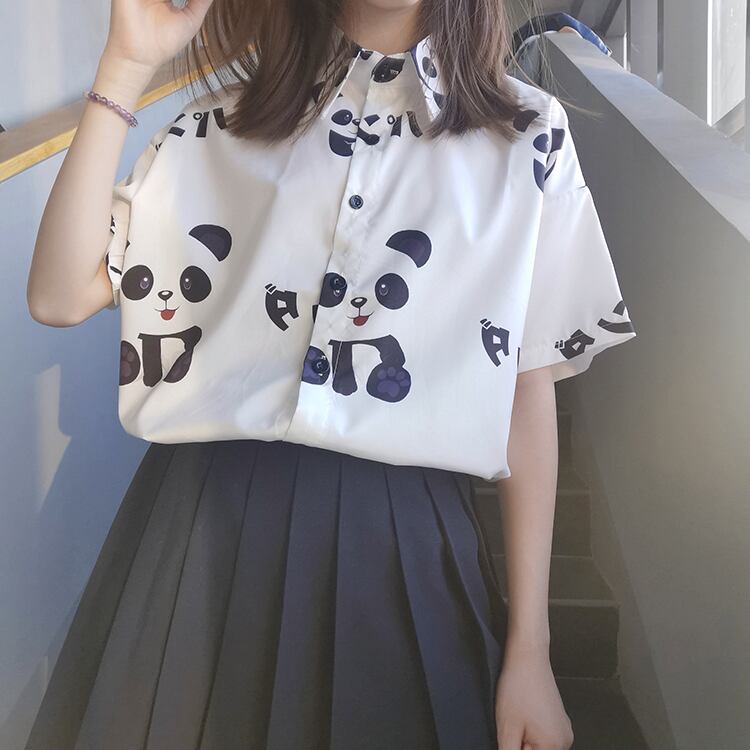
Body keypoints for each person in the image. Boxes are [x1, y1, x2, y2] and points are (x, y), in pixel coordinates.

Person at [25, 0, 637, 748]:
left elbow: (524, 391)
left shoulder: (527, 137)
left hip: (403, 549)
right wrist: (124, 67)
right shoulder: (222, 123)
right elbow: (58, 295)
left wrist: (531, 651)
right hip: (197, 531)